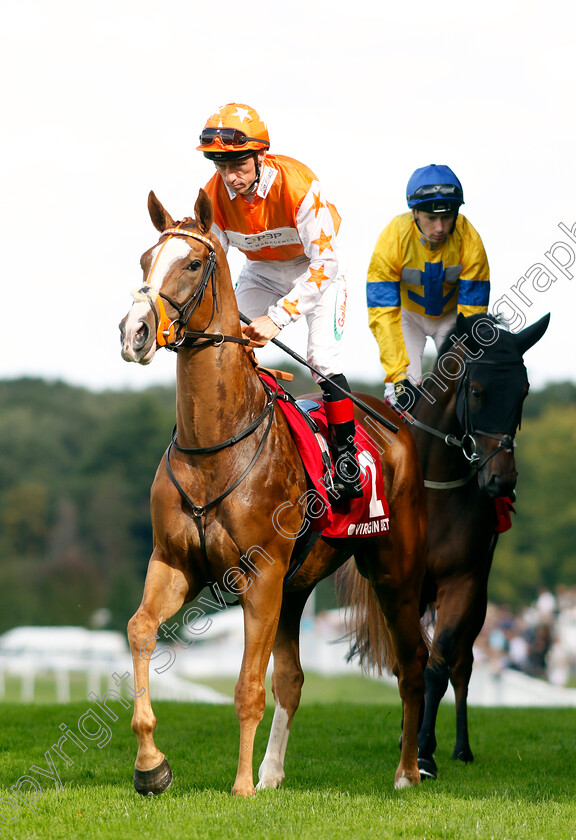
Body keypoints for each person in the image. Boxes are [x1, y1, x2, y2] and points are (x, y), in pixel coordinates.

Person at [196, 102, 362, 498]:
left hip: (314, 272)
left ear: (260, 156)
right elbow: (212, 266)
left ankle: (345, 456)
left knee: (321, 360)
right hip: (261, 273)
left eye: (237, 165)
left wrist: (278, 318)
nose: (229, 177)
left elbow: (326, 264)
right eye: (220, 166)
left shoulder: (299, 185)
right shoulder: (213, 196)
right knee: (226, 345)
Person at [366, 164, 490, 405]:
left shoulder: (470, 238)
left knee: (459, 385)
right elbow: (382, 311)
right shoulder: (393, 237)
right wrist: (398, 376)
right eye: (431, 218)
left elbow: (473, 313)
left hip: (451, 318)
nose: (440, 228)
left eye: (446, 217)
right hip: (407, 317)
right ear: (414, 214)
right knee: (402, 393)